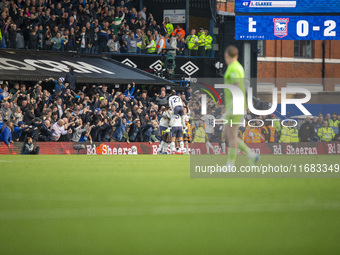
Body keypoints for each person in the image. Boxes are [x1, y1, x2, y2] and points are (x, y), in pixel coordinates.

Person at [223, 46, 259, 167]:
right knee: (228, 133)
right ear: (237, 56)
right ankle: (251, 155)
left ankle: (230, 165)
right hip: (234, 105)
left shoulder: (234, 68)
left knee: (231, 135)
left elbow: (236, 85)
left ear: (226, 56)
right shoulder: (237, 67)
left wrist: (232, 106)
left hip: (235, 106)